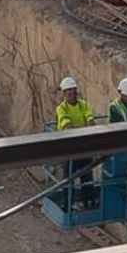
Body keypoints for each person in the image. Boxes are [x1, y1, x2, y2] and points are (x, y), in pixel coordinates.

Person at [55, 74, 96, 206]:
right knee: (69, 180)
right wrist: (85, 133)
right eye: (69, 92)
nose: (72, 94)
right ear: (64, 94)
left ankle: (89, 202)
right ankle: (68, 205)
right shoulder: (62, 109)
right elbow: (68, 126)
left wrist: (89, 133)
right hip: (69, 149)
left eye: (74, 91)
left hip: (84, 147)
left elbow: (91, 121)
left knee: (87, 177)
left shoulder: (84, 105)